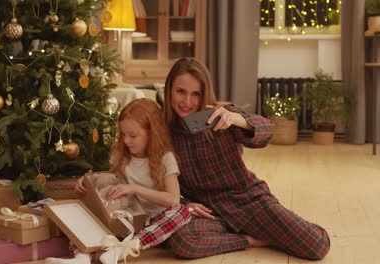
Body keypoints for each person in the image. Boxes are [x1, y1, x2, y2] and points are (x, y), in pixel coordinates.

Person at [163, 58, 330, 260]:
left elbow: (267, 132)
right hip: (207, 213)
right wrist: (185, 203)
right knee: (182, 240)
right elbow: (160, 179)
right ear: (169, 89)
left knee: (316, 245)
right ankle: (252, 239)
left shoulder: (221, 116)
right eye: (181, 91)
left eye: (195, 94)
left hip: (246, 203)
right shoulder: (162, 131)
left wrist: (238, 120)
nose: (187, 102)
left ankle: (281, 227)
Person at [47, 98, 190, 264]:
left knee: (182, 211)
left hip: (153, 223)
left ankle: (123, 249)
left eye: (133, 135)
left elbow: (172, 199)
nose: (126, 140)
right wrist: (88, 182)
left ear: (152, 132)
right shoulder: (120, 154)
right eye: (123, 134)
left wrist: (135, 188)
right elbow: (110, 184)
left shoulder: (166, 158)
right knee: (88, 212)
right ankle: (81, 257)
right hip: (124, 218)